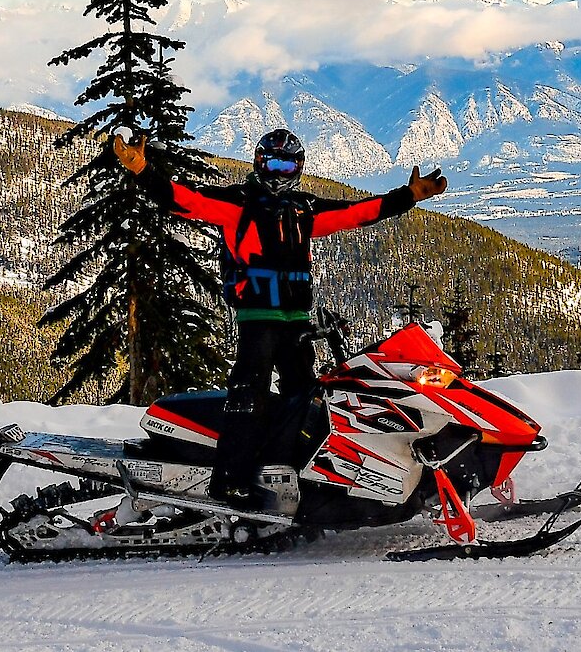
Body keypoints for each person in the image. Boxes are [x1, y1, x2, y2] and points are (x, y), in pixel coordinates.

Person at [113, 126, 445, 506]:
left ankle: (290, 473)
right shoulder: (238, 204)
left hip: (296, 321)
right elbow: (184, 200)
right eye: (273, 163)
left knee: (305, 399)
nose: (279, 172)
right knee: (248, 395)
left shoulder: (304, 211)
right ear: (259, 163)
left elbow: (356, 213)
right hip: (258, 318)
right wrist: (142, 171)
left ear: (298, 169)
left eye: (287, 166)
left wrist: (409, 197)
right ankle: (229, 480)